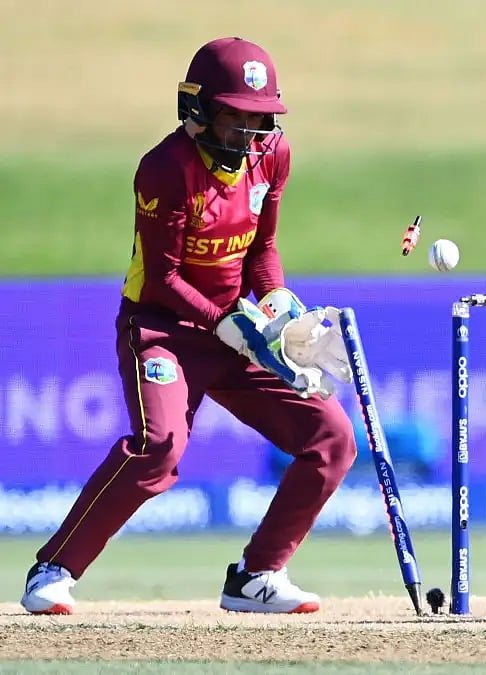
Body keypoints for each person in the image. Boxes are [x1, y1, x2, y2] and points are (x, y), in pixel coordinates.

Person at [20, 37, 357, 615]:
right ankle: (52, 570)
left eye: (259, 121)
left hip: (235, 329)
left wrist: (280, 311)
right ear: (197, 110)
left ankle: (256, 577)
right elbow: (163, 278)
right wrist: (224, 322)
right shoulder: (164, 168)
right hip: (161, 328)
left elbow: (263, 251)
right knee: (160, 447)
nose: (248, 137)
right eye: (235, 120)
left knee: (331, 439)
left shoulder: (271, 155)